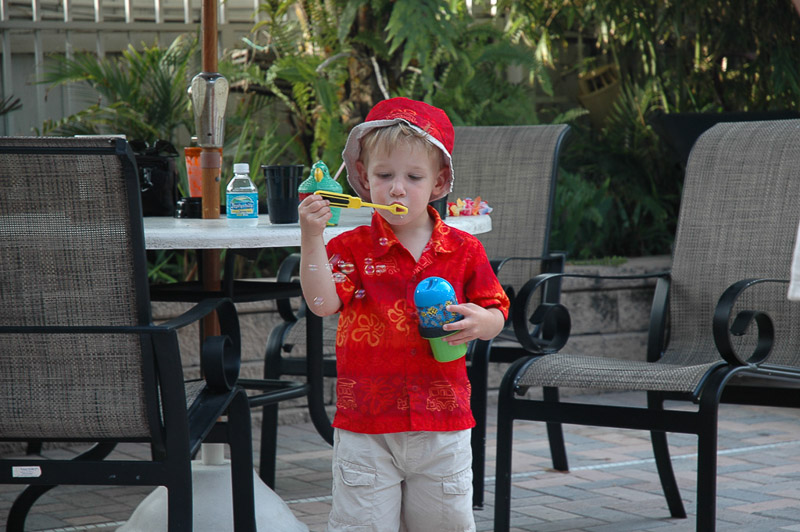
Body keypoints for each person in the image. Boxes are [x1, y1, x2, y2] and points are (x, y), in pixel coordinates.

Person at [298, 97, 510, 532]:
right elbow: (322, 304)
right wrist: (311, 237)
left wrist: (483, 323)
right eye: (384, 176)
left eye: (413, 177)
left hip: (442, 423)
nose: (397, 189)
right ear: (363, 178)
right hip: (367, 426)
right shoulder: (351, 247)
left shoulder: (463, 249)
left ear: (439, 182)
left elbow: (496, 310)